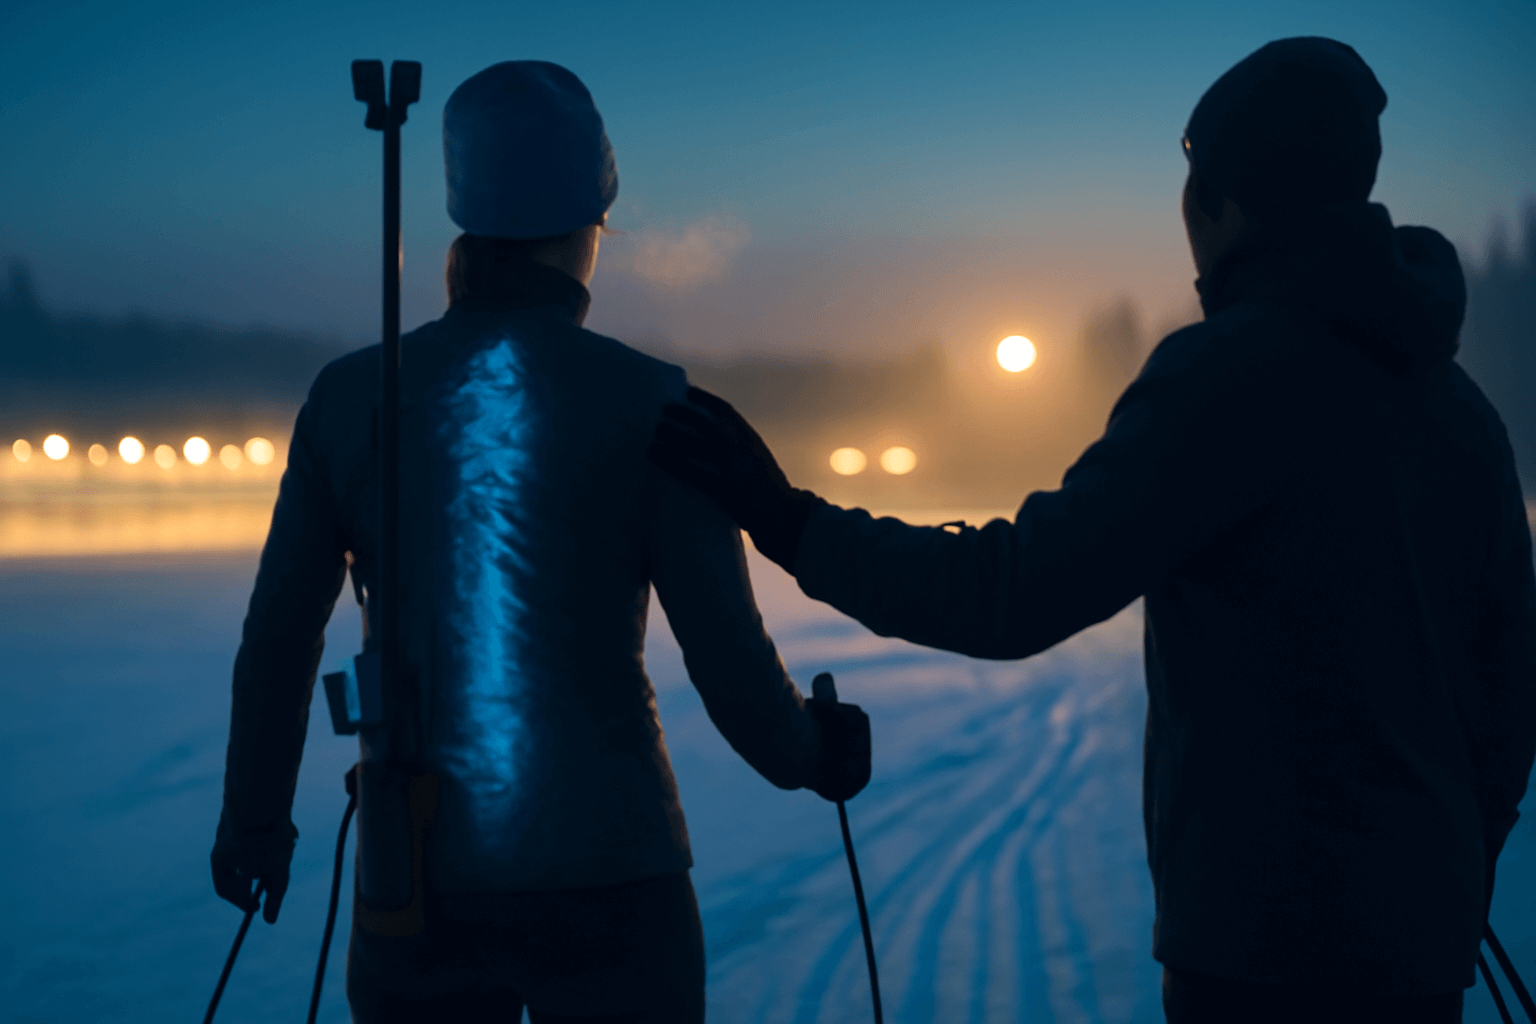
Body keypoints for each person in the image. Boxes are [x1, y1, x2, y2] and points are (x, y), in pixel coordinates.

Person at [651, 37, 1536, 1024]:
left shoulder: (1228, 380)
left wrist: (791, 522)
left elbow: (1018, 588)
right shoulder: (1460, 409)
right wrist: (1449, 867)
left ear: (1216, 200)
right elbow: (1509, 689)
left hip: (1264, 950)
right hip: (1421, 949)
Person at [210, 60, 870, 1023]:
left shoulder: (350, 399)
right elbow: (730, 668)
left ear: (463, 218)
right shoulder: (657, 407)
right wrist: (814, 752)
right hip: (615, 880)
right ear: (590, 224)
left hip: (416, 881)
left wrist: (254, 824)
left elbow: (279, 640)